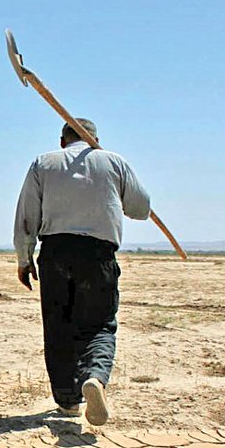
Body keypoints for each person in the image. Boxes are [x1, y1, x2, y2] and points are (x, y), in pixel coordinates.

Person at [13, 118, 152, 427]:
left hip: (56, 254)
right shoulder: (114, 162)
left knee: (58, 326)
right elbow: (141, 208)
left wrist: (24, 258)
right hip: (98, 254)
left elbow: (27, 216)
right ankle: (94, 378)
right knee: (99, 326)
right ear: (94, 139)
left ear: (62, 141)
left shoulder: (43, 163)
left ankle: (67, 400)